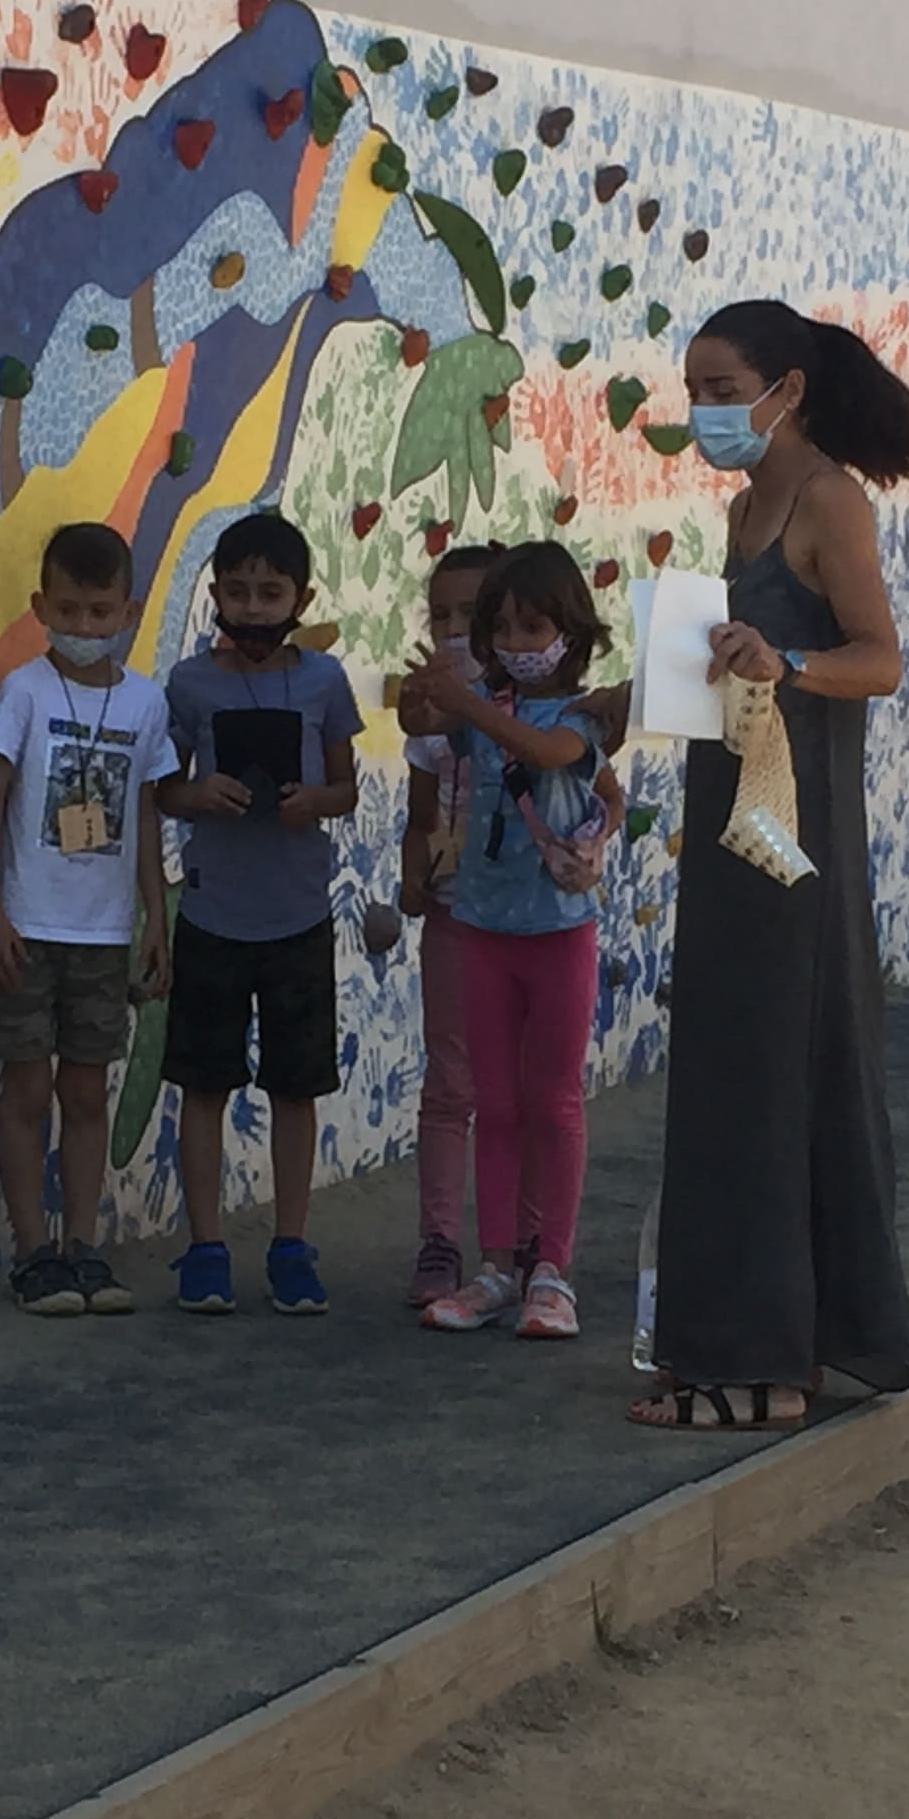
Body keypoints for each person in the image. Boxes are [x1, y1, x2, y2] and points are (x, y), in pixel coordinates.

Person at [634, 301, 909, 1431]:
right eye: (694, 392)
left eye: (722, 390)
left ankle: (767, 1365)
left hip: (796, 845)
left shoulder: (828, 502)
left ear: (787, 391)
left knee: (776, 1080)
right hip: (728, 829)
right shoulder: (743, 506)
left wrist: (789, 661)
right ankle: (726, 1342)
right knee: (723, 1082)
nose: (703, 412)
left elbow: (879, 659)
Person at [400, 542, 617, 1340]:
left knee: (552, 1102)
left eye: (533, 628)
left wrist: (468, 703)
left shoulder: (580, 718)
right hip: (482, 930)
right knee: (493, 1104)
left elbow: (549, 756)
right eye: (504, 629)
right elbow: (424, 728)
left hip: (559, 936)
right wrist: (426, 697)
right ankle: (495, 1268)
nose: (516, 644)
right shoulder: (480, 707)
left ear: (571, 635)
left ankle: (550, 1270)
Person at [0, 523, 178, 1316]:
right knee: (27, 1090)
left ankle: (83, 1246)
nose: (83, 627)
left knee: (87, 1094)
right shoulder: (23, 692)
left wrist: (153, 917)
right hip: (28, 928)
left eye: (98, 612)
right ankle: (34, 1255)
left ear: (127, 611)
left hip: (104, 933)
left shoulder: (146, 702)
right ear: (40, 606)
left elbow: (148, 812)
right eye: (67, 611)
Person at [156, 512, 362, 1314]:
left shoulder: (325, 682)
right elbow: (163, 789)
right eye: (237, 591)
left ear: (300, 599)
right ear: (215, 593)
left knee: (294, 1087)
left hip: (298, 914)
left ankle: (290, 1246)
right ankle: (205, 1247)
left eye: (269, 593)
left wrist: (316, 801)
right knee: (203, 1085)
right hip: (212, 912)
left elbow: (344, 788)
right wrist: (196, 793)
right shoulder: (187, 684)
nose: (251, 607)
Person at [393, 542, 507, 1308]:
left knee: (519, 1090)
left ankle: (522, 1244)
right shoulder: (430, 722)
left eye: (473, 614)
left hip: (526, 923)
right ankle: (439, 1241)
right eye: (440, 616)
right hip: (453, 914)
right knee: (449, 1083)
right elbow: (420, 816)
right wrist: (412, 875)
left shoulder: (529, 710)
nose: (454, 630)